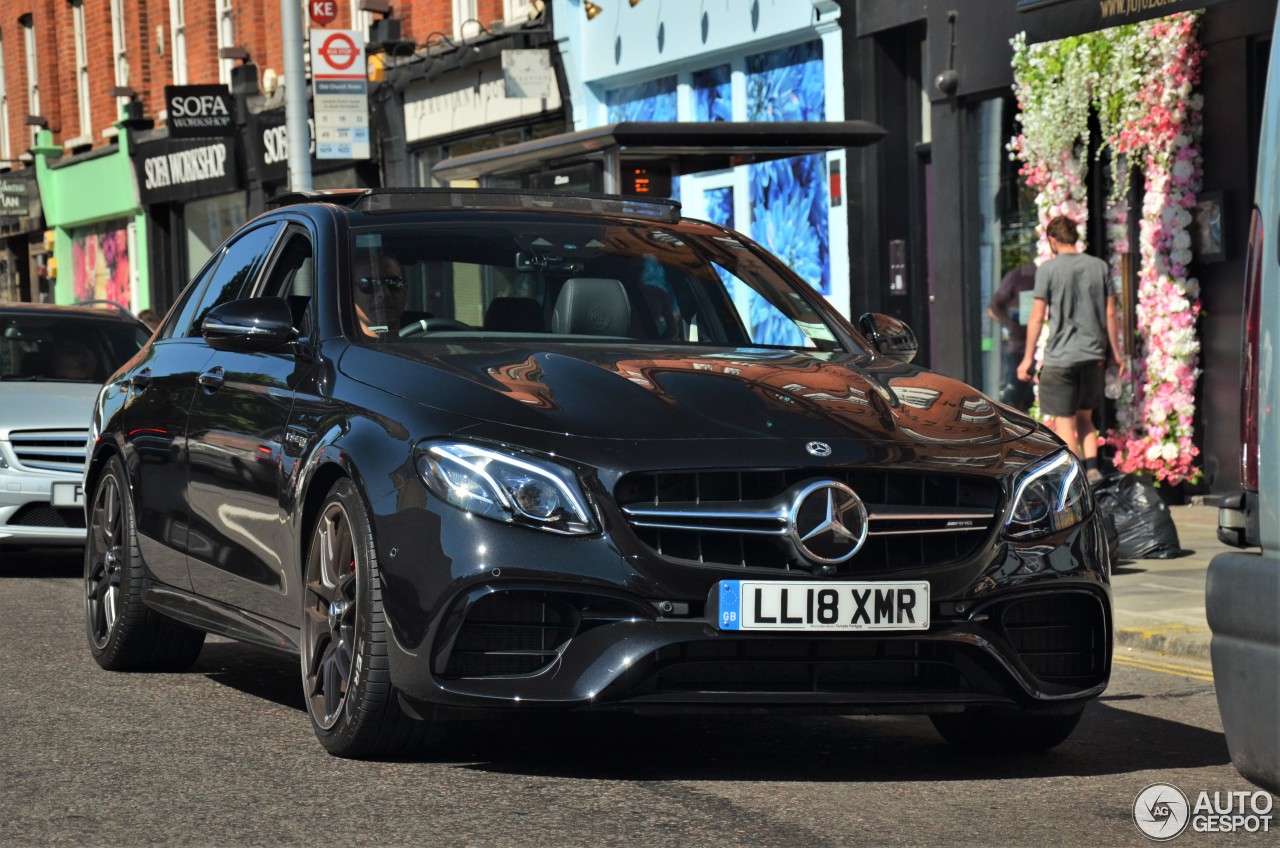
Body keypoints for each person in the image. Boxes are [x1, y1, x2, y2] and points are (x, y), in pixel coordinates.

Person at [1017, 216, 1125, 483]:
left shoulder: (1048, 270)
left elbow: (1037, 316)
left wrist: (1027, 358)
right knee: (1085, 418)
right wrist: (1115, 353)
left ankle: (1075, 479)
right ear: (1074, 238)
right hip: (1093, 357)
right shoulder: (1099, 267)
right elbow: (1111, 313)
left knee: (1064, 420)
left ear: (1052, 240)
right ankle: (1093, 469)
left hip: (1061, 360)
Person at [987, 260, 1037, 411]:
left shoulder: (1049, 276)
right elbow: (993, 308)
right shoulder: (1016, 277)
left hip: (1045, 350)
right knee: (1015, 397)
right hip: (1019, 348)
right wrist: (1009, 323)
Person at [351, 251, 406, 338]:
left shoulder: (429, 340)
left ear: (405, 291)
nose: (383, 294)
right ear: (350, 293)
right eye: (369, 284)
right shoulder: (338, 346)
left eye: (393, 283)